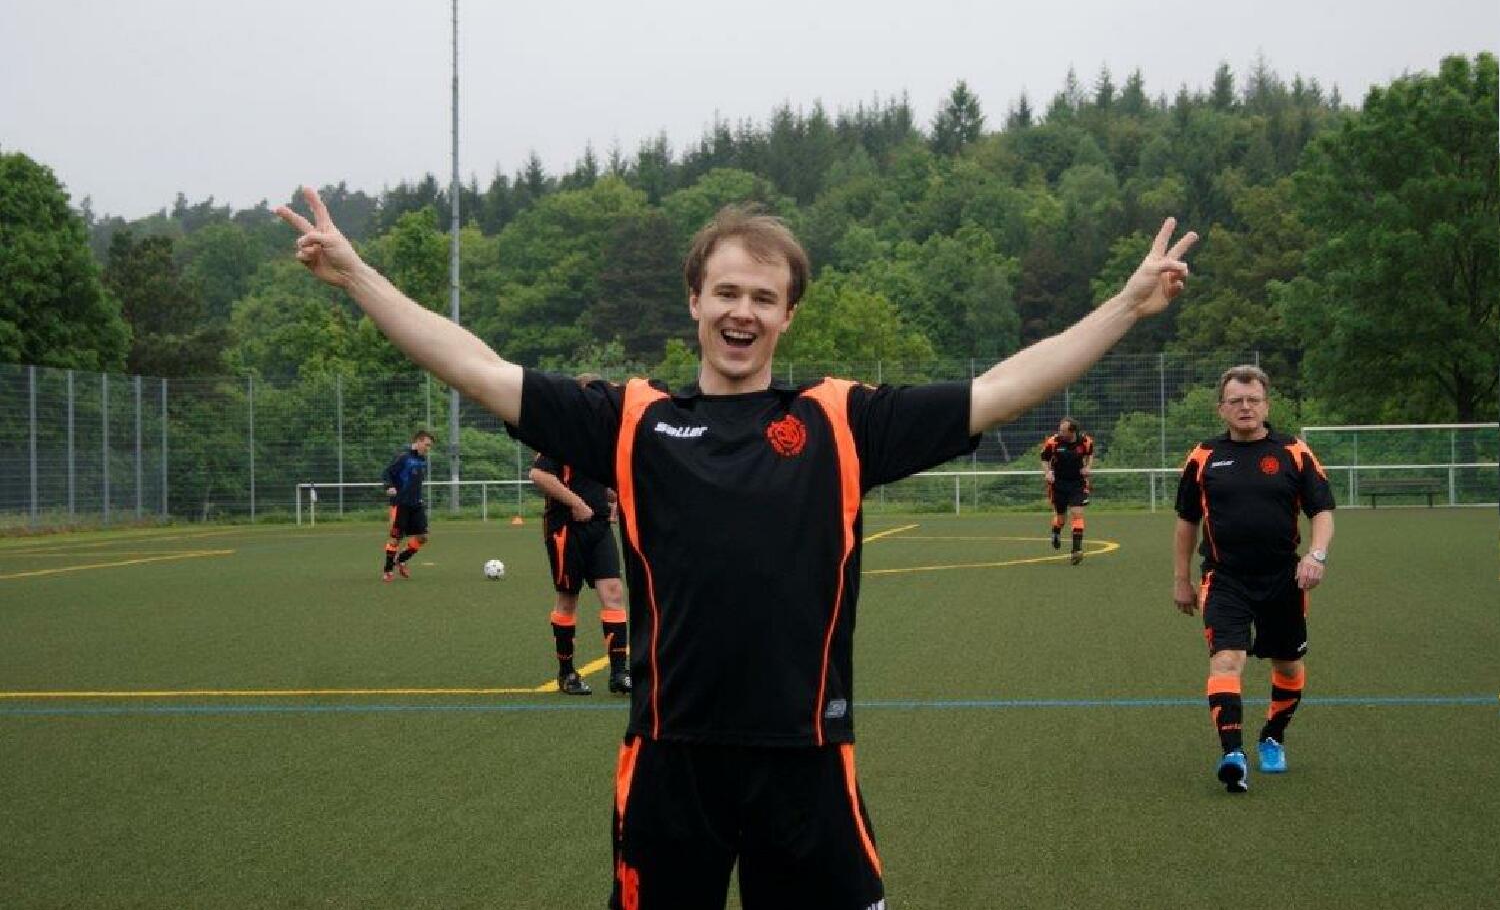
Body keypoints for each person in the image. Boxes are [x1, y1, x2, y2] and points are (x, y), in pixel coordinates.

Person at [277, 186, 1196, 910]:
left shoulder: (840, 419)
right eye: (726, 291)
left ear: (788, 313)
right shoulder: (633, 419)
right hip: (669, 761)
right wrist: (358, 276)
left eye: (763, 295)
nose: (742, 310)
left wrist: (1125, 305)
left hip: (807, 759)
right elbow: (478, 368)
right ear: (695, 300)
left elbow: (997, 390)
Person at [1172, 365, 1335, 794]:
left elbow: (1321, 510)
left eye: (1253, 400)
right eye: (1236, 401)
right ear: (1221, 408)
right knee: (1227, 660)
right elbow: (1187, 521)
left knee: (1288, 665)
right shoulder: (1203, 456)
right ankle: (1233, 755)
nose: (1245, 407)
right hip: (1224, 578)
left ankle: (1272, 736)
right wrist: (1181, 578)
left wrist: (1316, 555)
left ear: (1266, 405)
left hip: (1284, 579)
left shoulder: (1294, 451)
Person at [528, 379, 632, 697]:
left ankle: (620, 673)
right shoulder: (561, 433)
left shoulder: (603, 437)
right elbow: (539, 474)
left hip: (598, 527)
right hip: (565, 528)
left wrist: (612, 497)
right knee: (567, 599)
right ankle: (567, 673)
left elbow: (600, 480)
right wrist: (576, 503)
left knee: (613, 592)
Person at [380, 429, 434, 582]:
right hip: (400, 504)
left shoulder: (422, 459)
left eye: (430, 446)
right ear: (418, 441)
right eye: (427, 445)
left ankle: (401, 559)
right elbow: (387, 472)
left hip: (416, 504)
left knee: (423, 537)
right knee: (395, 539)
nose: (428, 449)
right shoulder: (403, 457)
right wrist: (389, 486)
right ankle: (388, 570)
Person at [1040, 416, 1093, 564]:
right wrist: (1047, 472)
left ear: (1072, 432)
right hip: (1059, 484)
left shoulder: (1085, 441)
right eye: (1060, 429)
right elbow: (1044, 458)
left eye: (1063, 430)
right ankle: (1056, 531)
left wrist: (1088, 467)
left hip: (1077, 483)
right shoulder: (1053, 442)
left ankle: (1076, 550)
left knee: (1077, 514)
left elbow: (1090, 454)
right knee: (1061, 519)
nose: (1060, 432)